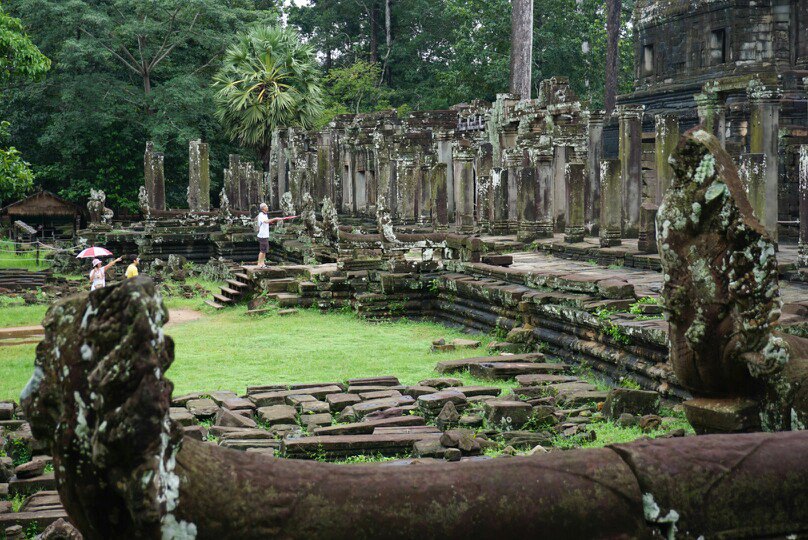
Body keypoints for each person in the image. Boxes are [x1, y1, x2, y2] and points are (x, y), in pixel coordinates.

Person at [256, 203, 297, 268]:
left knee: (265, 250)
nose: (267, 207)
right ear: (263, 208)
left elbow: (267, 222)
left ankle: (262, 263)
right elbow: (266, 221)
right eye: (266, 206)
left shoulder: (265, 214)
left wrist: (273, 221)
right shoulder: (261, 215)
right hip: (262, 235)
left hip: (265, 235)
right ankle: (259, 263)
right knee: (262, 250)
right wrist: (275, 218)